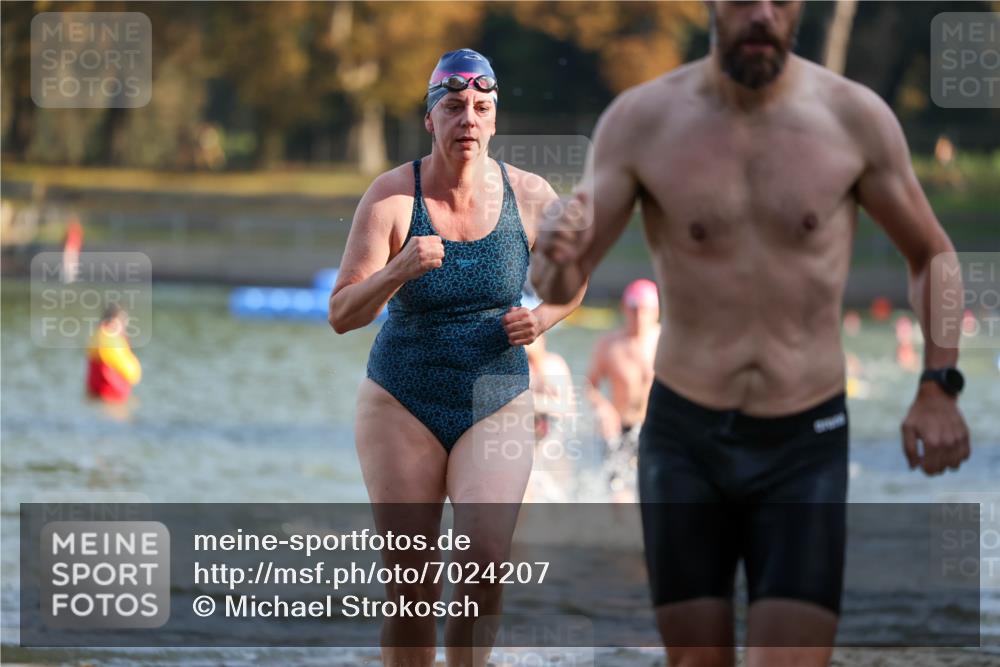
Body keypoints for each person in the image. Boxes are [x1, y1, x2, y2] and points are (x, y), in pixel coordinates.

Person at [531, 2, 971, 666]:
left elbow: (931, 255)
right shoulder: (643, 120)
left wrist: (938, 383)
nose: (762, 15)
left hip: (804, 441)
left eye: (780, 0)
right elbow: (561, 286)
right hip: (685, 440)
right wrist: (553, 255)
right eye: (744, 0)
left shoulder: (852, 118)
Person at [327, 49, 585, 666]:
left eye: (481, 106)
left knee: (484, 567)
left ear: (494, 120)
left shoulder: (530, 195)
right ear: (430, 120)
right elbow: (342, 313)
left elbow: (574, 279)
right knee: (411, 587)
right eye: (453, 105)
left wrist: (541, 318)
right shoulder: (391, 196)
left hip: (496, 393)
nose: (467, 117)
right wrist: (397, 270)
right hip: (401, 398)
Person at [587, 279, 661, 496]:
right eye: (634, 309)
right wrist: (602, 407)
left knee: (657, 495)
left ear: (656, 311)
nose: (639, 316)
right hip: (620, 430)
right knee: (619, 495)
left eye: (645, 310)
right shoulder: (609, 345)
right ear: (624, 308)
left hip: (656, 430)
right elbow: (590, 384)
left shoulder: (666, 341)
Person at [86, 303, 141, 403]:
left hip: (98, 389)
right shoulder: (109, 338)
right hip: (111, 390)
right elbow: (133, 374)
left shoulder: (99, 336)